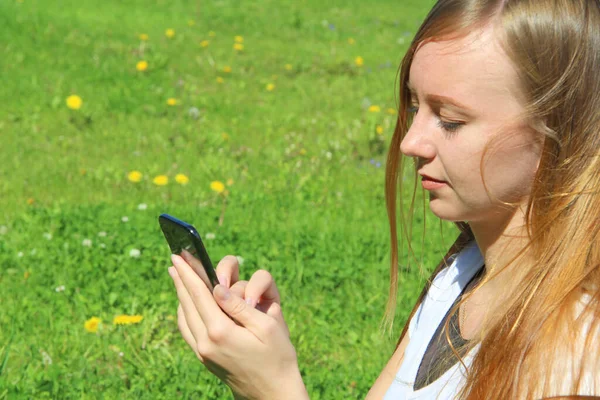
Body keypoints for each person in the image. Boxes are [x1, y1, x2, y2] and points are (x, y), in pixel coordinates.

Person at [166, 0, 600, 398]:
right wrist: (261, 363)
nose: (411, 142)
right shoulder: (462, 274)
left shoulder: (578, 354)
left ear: (559, 133)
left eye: (449, 120)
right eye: (414, 108)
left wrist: (274, 387)